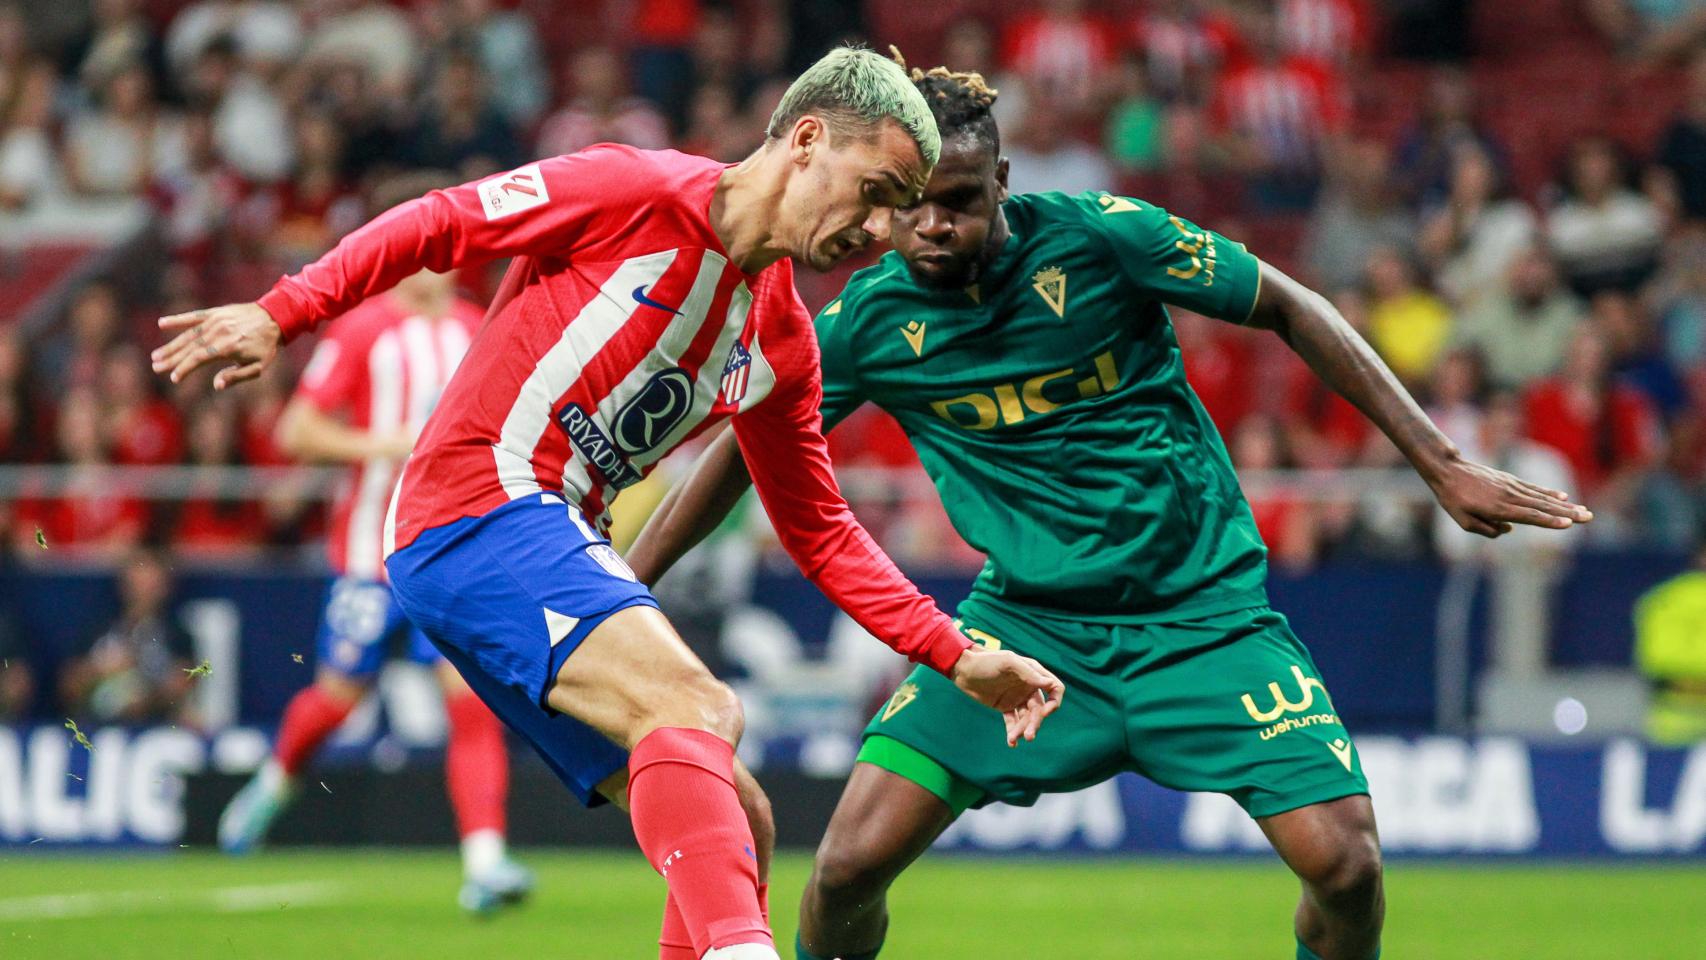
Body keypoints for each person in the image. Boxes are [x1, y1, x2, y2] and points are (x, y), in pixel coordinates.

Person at [626, 59, 1592, 960]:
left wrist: (1441, 463)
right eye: (909, 207)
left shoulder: (1102, 237)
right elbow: (745, 449)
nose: (931, 229)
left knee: (1346, 864)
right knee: (843, 869)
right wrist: (624, 590)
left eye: (959, 204)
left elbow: (1291, 305)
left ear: (1002, 178)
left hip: (1202, 618)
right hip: (1025, 630)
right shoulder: (872, 320)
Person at [152, 47, 1062, 960]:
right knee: (699, 707)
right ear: (808, 140)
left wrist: (954, 652)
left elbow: (819, 530)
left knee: (741, 819)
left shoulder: (780, 338)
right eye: (874, 191)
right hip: (475, 500)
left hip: (535, 534)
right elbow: (443, 223)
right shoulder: (634, 188)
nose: (877, 230)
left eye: (895, 211)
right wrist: (283, 310)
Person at [215, 263, 530, 914]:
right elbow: (297, 431)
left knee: (469, 706)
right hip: (369, 560)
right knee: (336, 701)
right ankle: (276, 782)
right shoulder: (364, 332)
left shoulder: (480, 328)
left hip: (454, 561)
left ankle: (485, 861)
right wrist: (387, 443)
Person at [59, 547, 197, 725]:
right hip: (98, 727)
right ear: (124, 582)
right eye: (138, 578)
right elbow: (68, 685)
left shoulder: (177, 634)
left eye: (151, 581)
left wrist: (145, 687)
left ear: (165, 586)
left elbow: (185, 682)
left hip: (157, 727)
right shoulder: (100, 628)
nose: (144, 588)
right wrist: (102, 670)